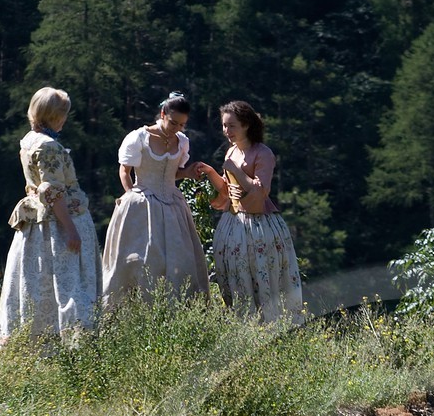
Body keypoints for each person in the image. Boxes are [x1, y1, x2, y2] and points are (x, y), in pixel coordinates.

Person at [0, 87, 101, 345]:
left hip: (36, 225)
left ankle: (31, 341)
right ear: (54, 116)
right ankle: (73, 342)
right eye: (62, 115)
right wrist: (71, 230)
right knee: (68, 283)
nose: (65, 120)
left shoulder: (29, 139)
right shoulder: (49, 145)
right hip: (57, 222)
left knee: (39, 283)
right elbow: (52, 191)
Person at [191, 100, 304, 322]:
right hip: (234, 221)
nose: (227, 131)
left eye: (232, 125)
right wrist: (212, 172)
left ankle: (273, 324)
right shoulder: (230, 152)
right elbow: (226, 190)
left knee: (263, 275)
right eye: (224, 126)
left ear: (246, 125)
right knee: (235, 276)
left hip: (258, 223)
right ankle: (244, 323)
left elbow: (261, 190)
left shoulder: (263, 153)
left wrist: (236, 170)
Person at [101, 92, 209, 306]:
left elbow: (173, 173)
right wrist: (131, 193)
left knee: (182, 260)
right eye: (173, 122)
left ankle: (176, 311)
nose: (177, 128)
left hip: (172, 205)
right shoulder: (139, 137)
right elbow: (125, 171)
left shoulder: (182, 141)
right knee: (145, 259)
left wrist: (187, 173)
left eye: (182, 124)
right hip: (143, 202)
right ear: (162, 114)